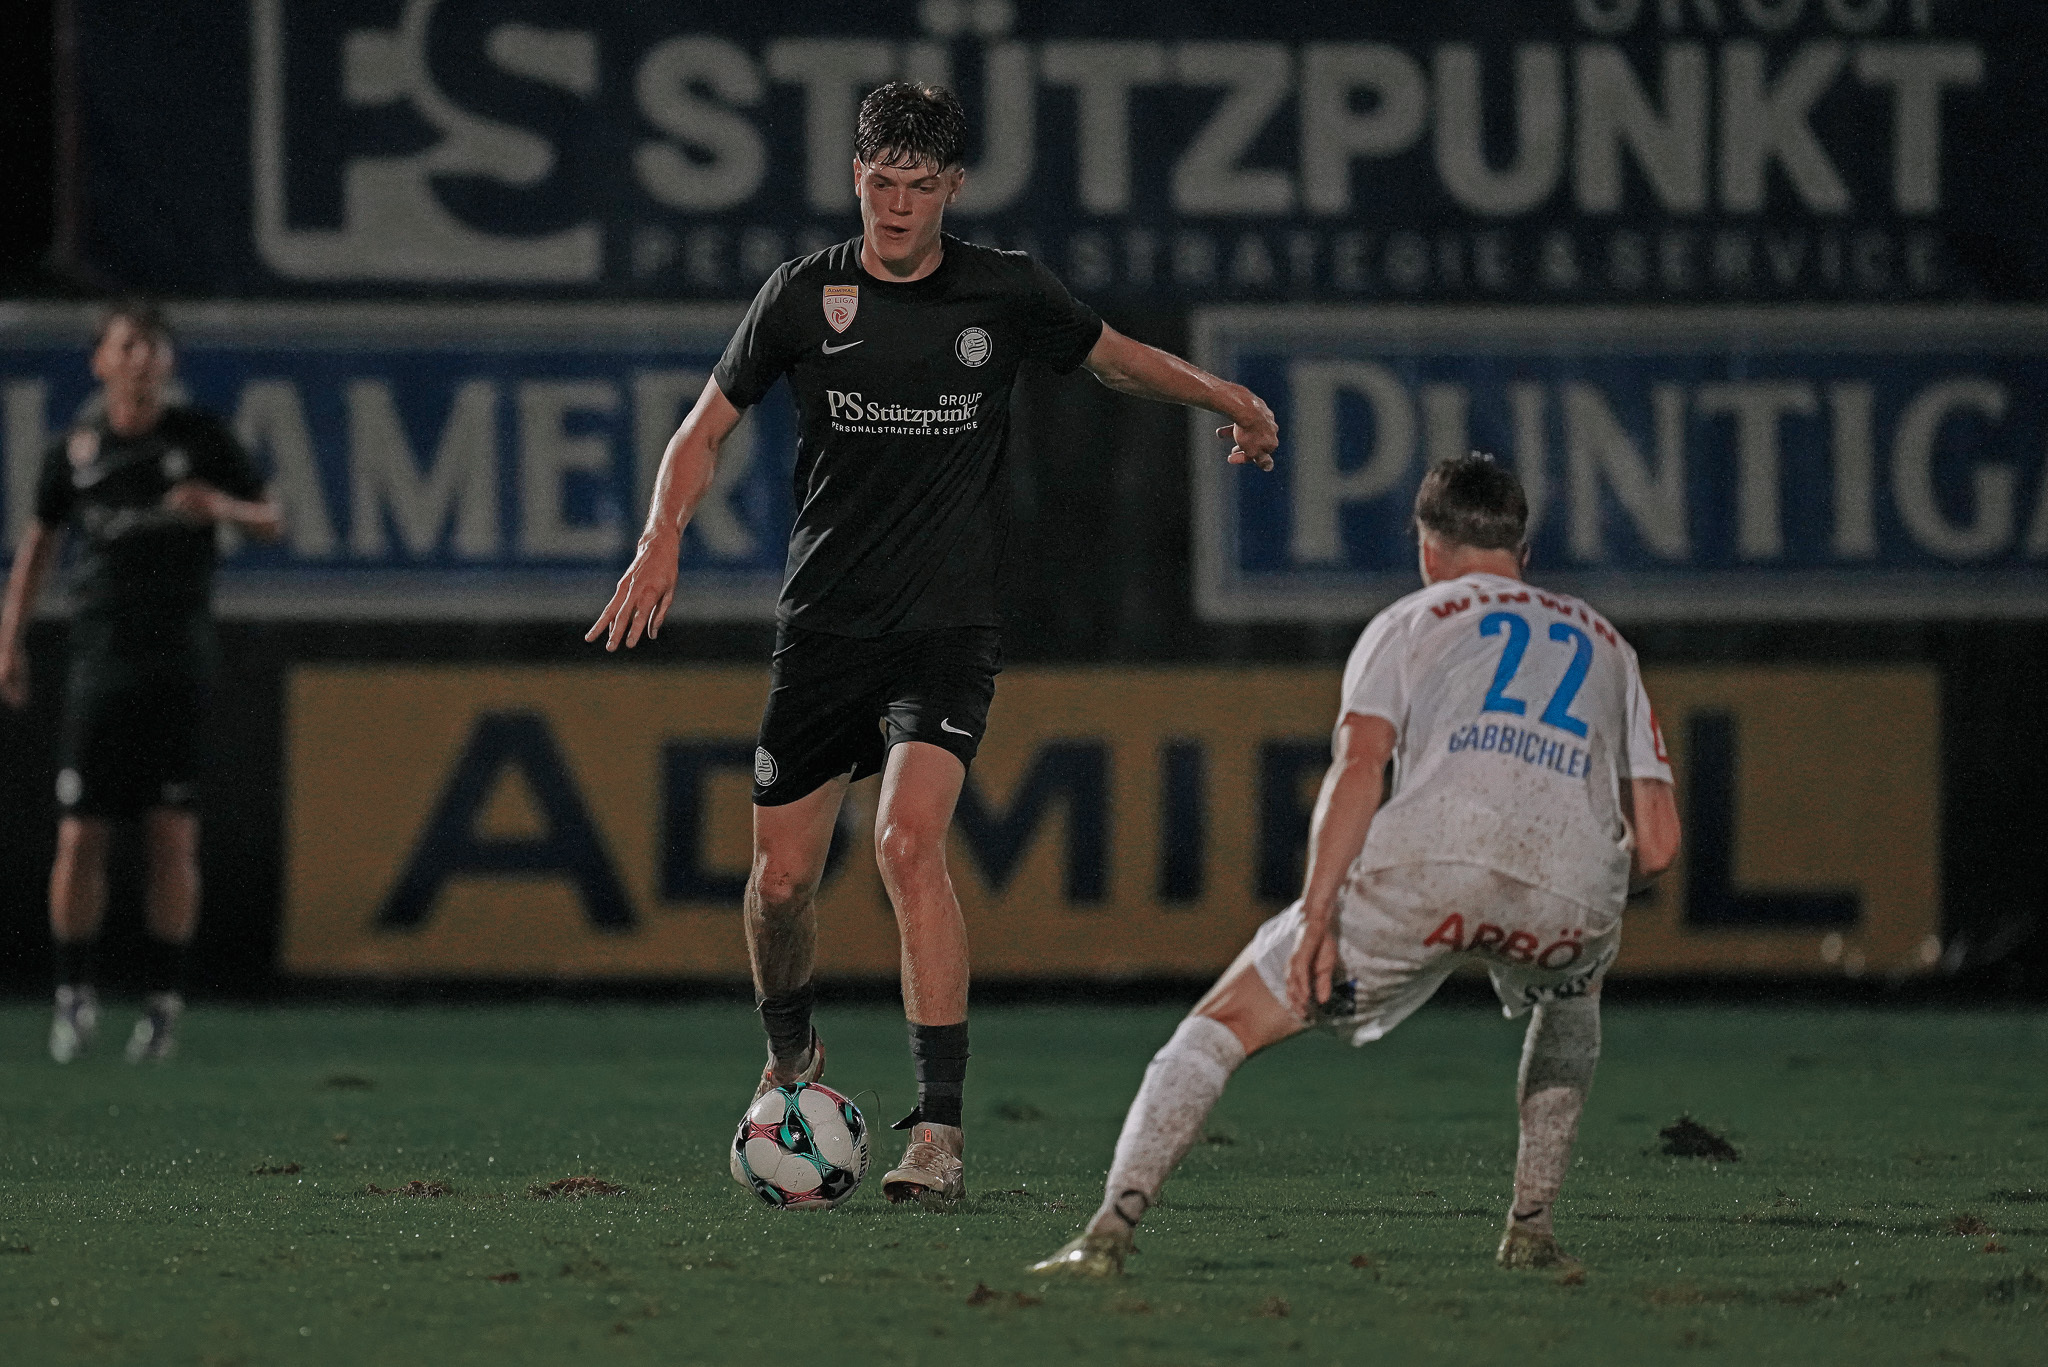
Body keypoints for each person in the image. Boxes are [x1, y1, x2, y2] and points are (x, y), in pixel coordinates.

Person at [588, 81, 1279, 1205]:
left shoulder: (1001, 292)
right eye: (879, 182)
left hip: (942, 629)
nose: (896, 205)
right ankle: (792, 1051)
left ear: (951, 189)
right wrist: (660, 536)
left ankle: (939, 1136)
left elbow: (1113, 355)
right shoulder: (803, 296)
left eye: (919, 185)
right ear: (852, 178)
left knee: (908, 846)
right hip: (821, 629)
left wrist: (1225, 396)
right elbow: (702, 427)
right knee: (775, 883)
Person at [1029, 453, 1680, 1276]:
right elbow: (1657, 845)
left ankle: (1109, 1231)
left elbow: (1361, 765)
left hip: (1429, 860)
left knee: (1215, 1030)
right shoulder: (1608, 642)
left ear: (1427, 548)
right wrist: (1578, 899)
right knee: (1572, 995)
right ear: (1524, 550)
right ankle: (1531, 1227)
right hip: (1572, 888)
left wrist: (1317, 913)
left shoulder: (1410, 620)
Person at [0, 300, 282, 1064]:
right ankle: (73, 999)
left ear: (168, 363)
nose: (142, 359)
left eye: (154, 347)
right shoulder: (74, 452)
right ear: (101, 361)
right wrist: (10, 641)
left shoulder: (201, 439)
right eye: (128, 346)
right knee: (81, 833)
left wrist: (219, 505)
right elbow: (38, 548)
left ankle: (161, 1005)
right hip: (99, 662)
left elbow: (272, 518)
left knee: (170, 832)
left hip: (177, 660)